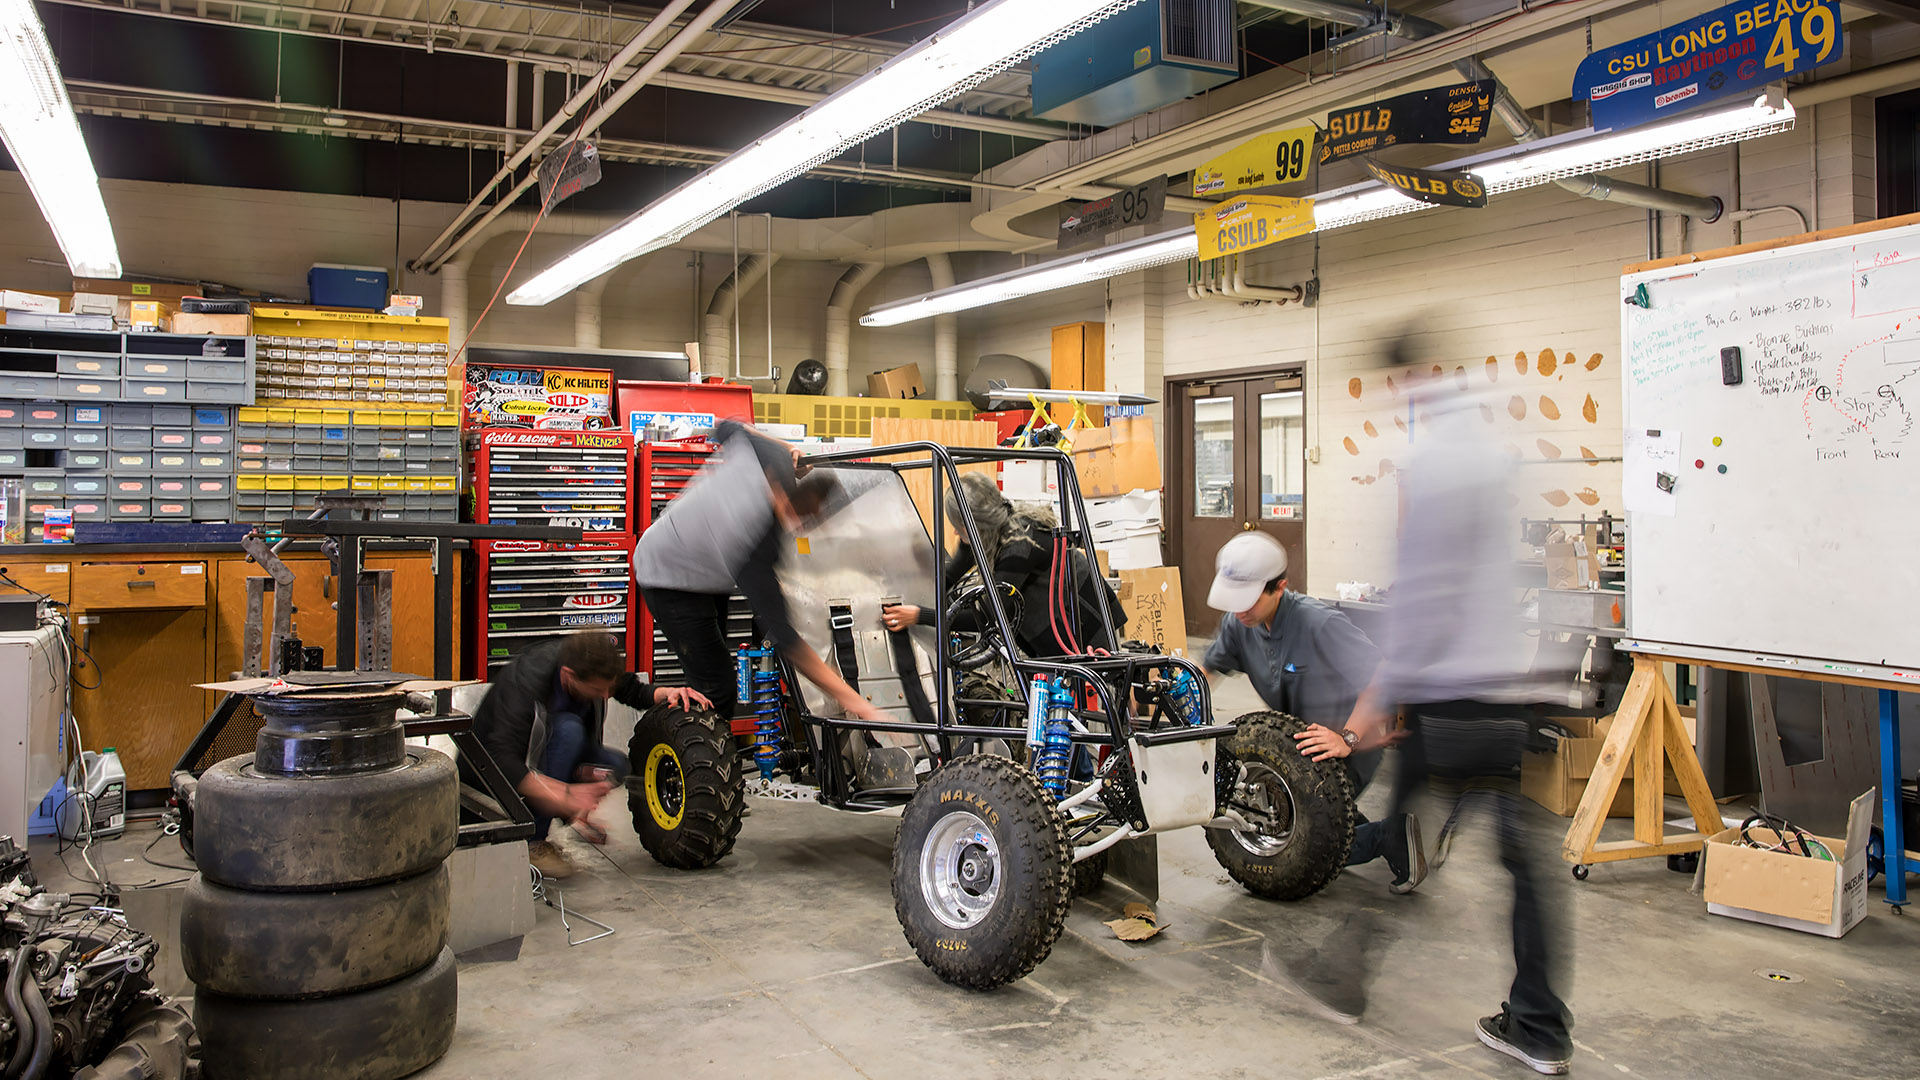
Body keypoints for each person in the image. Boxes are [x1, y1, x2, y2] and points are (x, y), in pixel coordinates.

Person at [1340, 338, 1575, 1074]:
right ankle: (1538, 1021)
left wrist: (1382, 690)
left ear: (1411, 379)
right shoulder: (1490, 451)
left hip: (1451, 692)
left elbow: (1428, 590)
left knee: (1397, 827)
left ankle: (1339, 979)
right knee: (1517, 855)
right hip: (1502, 685)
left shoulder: (1435, 464)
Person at [1200, 531, 1427, 895]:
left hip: (1346, 741)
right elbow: (1206, 673)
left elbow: (1383, 677)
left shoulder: (1317, 622)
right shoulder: (1239, 625)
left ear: (1280, 587)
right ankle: (1349, 825)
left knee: (1301, 844)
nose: (1239, 610)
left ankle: (1391, 836)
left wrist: (1348, 738)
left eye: (1249, 600)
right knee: (1315, 817)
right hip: (1300, 745)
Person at [634, 418, 886, 726]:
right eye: (803, 521)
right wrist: (860, 704)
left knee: (716, 656)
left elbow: (727, 426)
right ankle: (696, 761)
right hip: (667, 574)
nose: (800, 529)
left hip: (703, 564)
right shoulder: (751, 539)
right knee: (718, 688)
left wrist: (788, 447)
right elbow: (788, 641)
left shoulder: (773, 457)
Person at [472, 630, 709, 880]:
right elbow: (501, 760)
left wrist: (667, 693)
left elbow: (630, 690)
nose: (606, 695)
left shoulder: (588, 663)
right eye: (598, 689)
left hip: (559, 753)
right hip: (500, 776)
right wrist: (564, 795)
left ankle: (574, 814)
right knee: (569, 730)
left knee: (617, 766)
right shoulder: (525, 682)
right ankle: (532, 842)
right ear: (568, 676)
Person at [880, 472, 1125, 656]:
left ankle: (1126, 718)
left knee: (1102, 693)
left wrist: (920, 615)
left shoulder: (1019, 544)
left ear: (973, 524)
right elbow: (950, 575)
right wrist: (909, 587)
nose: (955, 533)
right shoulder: (986, 532)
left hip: (1082, 617)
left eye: (959, 526)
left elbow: (991, 615)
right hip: (1056, 622)